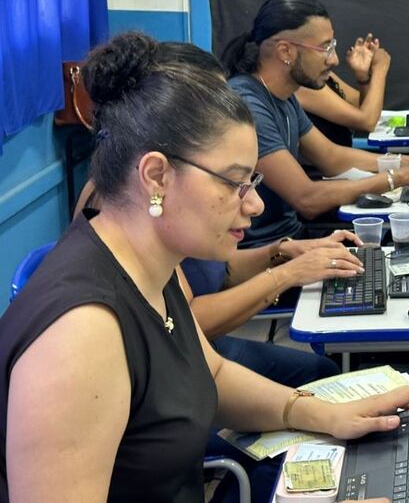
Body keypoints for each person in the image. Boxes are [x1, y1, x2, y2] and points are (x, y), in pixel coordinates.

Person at [0, 32, 409, 503]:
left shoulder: (146, 256)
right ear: (156, 176)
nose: (254, 204)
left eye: (252, 180)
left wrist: (322, 413)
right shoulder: (80, 336)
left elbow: (208, 371)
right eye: (235, 183)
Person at [71, 38, 351, 387]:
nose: (253, 203)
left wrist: (279, 254)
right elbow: (182, 323)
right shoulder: (121, 209)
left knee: (322, 377)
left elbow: (219, 273)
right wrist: (285, 275)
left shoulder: (172, 210)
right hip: (176, 371)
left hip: (196, 357)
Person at [222, 0, 409, 248]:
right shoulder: (247, 105)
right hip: (266, 254)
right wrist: (401, 177)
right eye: (325, 48)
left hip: (294, 240)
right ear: (286, 51)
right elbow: (307, 198)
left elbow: (331, 158)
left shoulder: (282, 95)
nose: (334, 59)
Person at [295, 32, 390, 146]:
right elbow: (367, 121)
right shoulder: (301, 84)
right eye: (325, 48)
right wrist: (379, 69)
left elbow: (361, 106)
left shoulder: (321, 74)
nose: (335, 60)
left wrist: (363, 77)